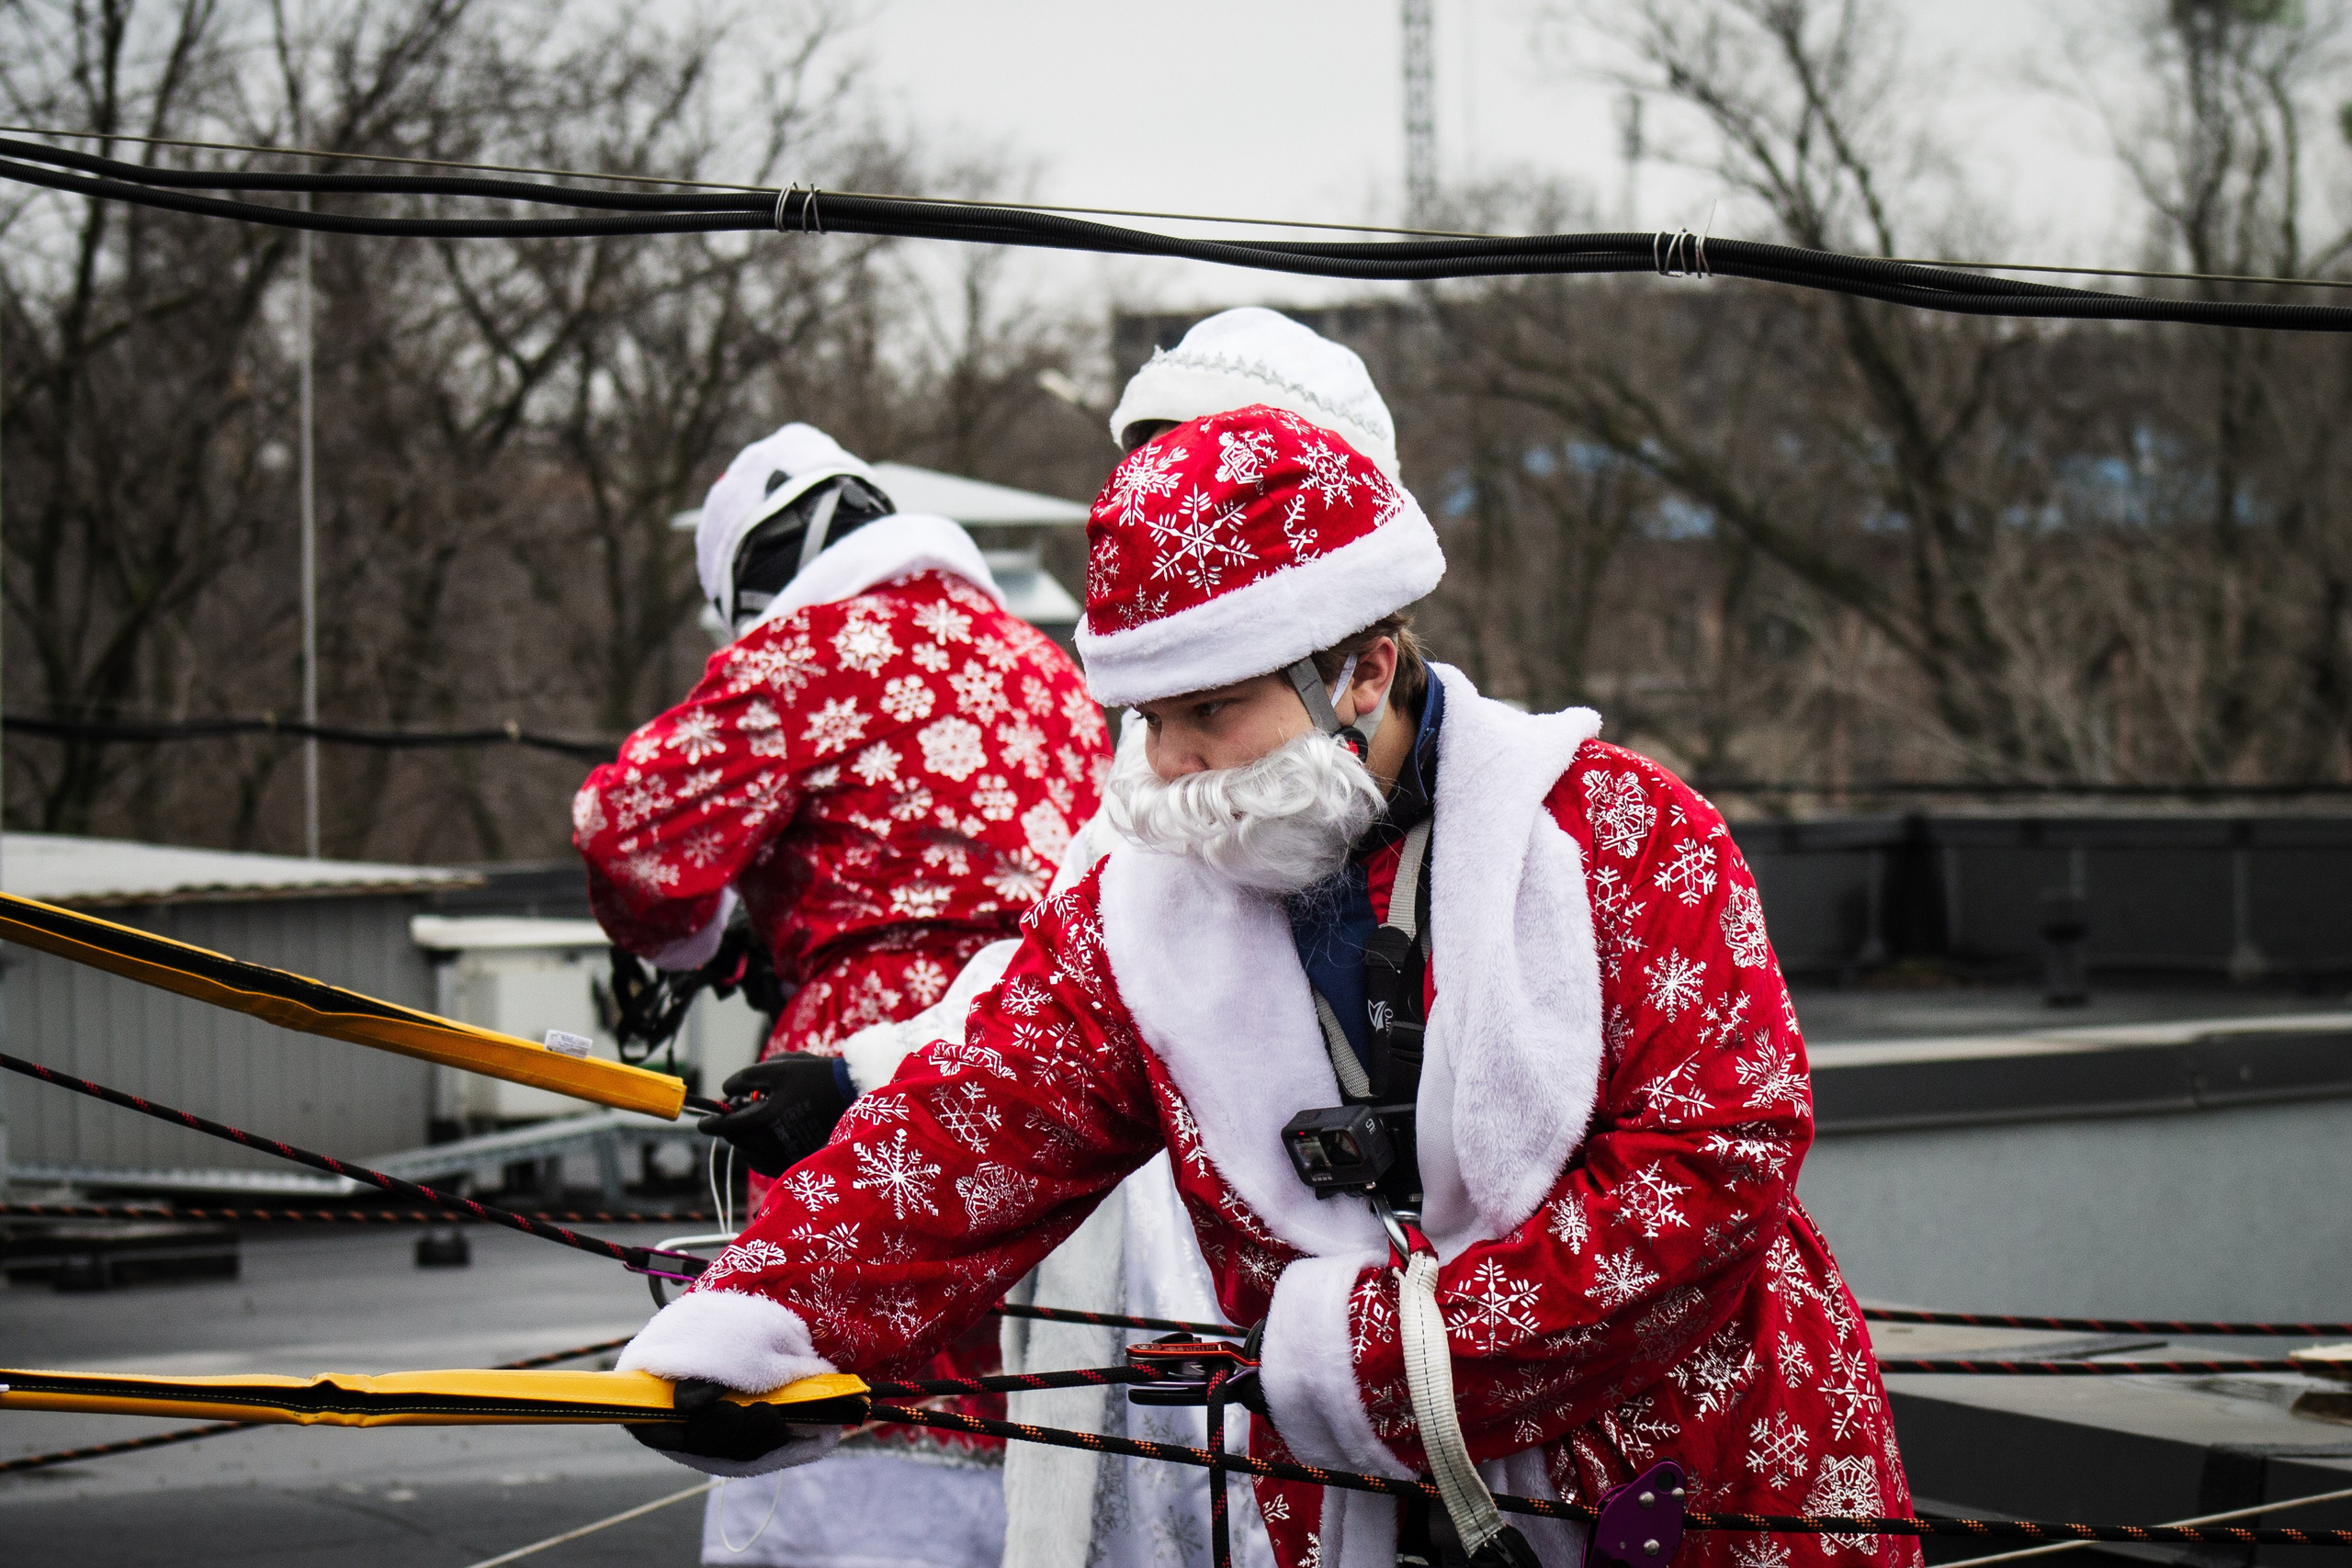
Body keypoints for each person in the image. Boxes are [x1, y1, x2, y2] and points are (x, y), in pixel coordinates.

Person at [615, 403, 1918, 1568]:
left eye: (1213, 709)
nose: (1171, 765)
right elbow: (974, 1124)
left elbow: (1716, 1155)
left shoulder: (1626, 836)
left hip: (1713, 1486)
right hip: (1359, 1507)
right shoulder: (1143, 905)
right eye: (1145, 718)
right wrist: (771, 1311)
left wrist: (1379, 1362)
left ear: (1365, 661)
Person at [572, 421, 1111, 1567]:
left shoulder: (812, 648)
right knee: (1039, 1372)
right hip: (1051, 1059)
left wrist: (709, 943)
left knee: (824, 1365)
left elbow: (627, 836)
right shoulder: (1048, 666)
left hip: (861, 1068)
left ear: (750, 588)